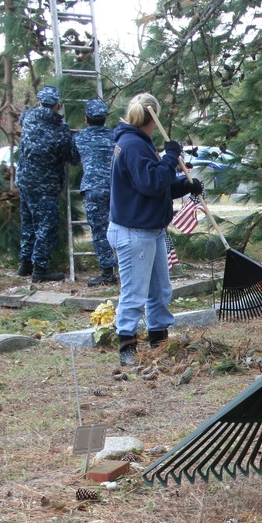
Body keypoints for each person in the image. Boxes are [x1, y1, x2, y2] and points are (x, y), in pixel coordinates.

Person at [108, 93, 202, 366]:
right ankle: (127, 346)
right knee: (135, 293)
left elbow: (156, 186)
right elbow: (151, 182)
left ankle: (159, 342)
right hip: (134, 232)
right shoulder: (132, 145)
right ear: (155, 118)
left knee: (160, 290)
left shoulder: (140, 144)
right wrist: (171, 156)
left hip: (151, 229)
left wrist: (186, 186)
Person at [16, 85, 80, 282]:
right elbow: (73, 158)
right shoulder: (61, 131)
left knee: (28, 224)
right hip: (46, 186)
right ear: (58, 106)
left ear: (38, 103)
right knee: (46, 227)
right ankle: (40, 269)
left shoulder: (28, 118)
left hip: (25, 181)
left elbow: (21, 118)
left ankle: (25, 263)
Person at [73, 98, 117, 286]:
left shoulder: (80, 137)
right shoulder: (115, 136)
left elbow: (74, 159)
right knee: (121, 227)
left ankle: (108, 272)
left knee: (99, 231)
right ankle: (125, 267)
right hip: (117, 188)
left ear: (86, 119)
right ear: (105, 119)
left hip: (94, 189)